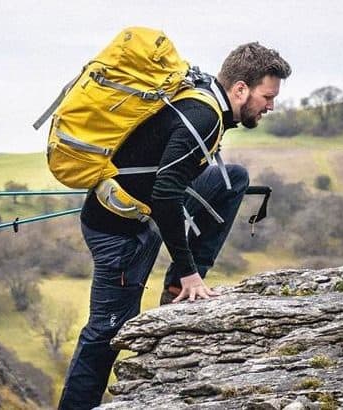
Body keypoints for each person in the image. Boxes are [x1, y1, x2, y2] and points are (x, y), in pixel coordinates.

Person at [58, 42, 291, 410]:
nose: (271, 106)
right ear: (241, 89)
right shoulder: (205, 116)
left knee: (232, 179)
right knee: (106, 332)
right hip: (119, 232)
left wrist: (185, 270)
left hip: (143, 212)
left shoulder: (206, 99)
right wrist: (188, 272)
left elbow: (167, 183)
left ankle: (174, 292)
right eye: (267, 96)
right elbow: (166, 195)